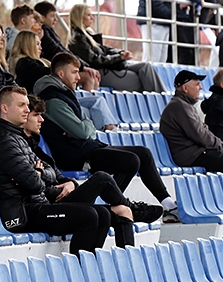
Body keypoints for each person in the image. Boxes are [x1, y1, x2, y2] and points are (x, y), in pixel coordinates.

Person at [34, 53, 177, 223]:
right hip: (75, 155)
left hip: (86, 147)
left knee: (143, 153)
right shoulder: (53, 99)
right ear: (61, 74)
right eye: (74, 72)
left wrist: (85, 125)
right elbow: (82, 131)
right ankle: (119, 205)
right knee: (131, 161)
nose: (79, 77)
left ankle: (169, 205)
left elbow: (85, 128)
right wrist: (85, 126)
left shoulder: (63, 93)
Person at [0, 87, 113, 255]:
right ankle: (77, 271)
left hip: (40, 204)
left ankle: (90, 267)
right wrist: (37, 175)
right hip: (24, 212)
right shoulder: (2, 140)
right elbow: (33, 184)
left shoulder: (19, 138)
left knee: (103, 214)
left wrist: (39, 173)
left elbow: (44, 174)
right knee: (89, 215)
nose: (27, 110)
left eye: (28, 105)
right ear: (5, 108)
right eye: (22, 105)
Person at [21, 94, 137, 247]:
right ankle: (134, 208)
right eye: (36, 115)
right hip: (52, 202)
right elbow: (35, 182)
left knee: (123, 211)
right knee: (102, 180)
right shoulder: (19, 146)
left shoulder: (36, 145)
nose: (41, 120)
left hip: (61, 196)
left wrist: (70, 184)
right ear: (23, 117)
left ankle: (125, 264)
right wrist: (49, 180)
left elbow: (54, 173)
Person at [13, 35, 116, 130]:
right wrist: (64, 69)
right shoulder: (24, 64)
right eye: (37, 44)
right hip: (48, 102)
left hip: (61, 98)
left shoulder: (42, 61)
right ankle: (107, 132)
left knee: (97, 101)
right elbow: (48, 73)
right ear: (28, 45)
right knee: (89, 111)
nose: (41, 47)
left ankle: (110, 131)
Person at [160, 69, 223, 173]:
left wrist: (222, 147)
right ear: (185, 88)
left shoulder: (185, 105)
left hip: (195, 152)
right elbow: (199, 134)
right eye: (197, 84)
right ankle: (218, 189)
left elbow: (203, 131)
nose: (201, 87)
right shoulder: (179, 106)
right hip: (188, 155)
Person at [68, 4, 166, 93]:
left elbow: (106, 49)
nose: (92, 18)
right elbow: (94, 60)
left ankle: (165, 98)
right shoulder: (78, 38)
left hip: (108, 68)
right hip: (101, 71)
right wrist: (119, 58)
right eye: (88, 15)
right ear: (80, 17)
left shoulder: (88, 34)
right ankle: (166, 102)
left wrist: (121, 53)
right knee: (143, 80)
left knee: (146, 67)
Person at [34, 1, 100, 91]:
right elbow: (57, 51)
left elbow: (62, 50)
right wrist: (82, 66)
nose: (55, 19)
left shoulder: (49, 31)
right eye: (52, 16)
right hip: (56, 70)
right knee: (89, 77)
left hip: (61, 68)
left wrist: (83, 66)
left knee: (93, 77)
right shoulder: (43, 33)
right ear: (42, 17)